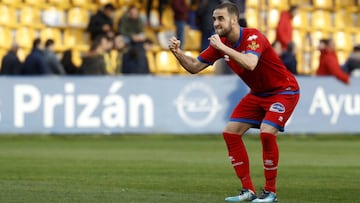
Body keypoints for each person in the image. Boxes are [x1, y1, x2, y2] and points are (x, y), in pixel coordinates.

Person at [168, 2, 300, 202]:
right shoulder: (221, 43)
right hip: (258, 93)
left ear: (233, 20)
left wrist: (222, 48)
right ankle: (248, 190)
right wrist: (177, 53)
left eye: (220, 18)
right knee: (230, 132)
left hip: (284, 91)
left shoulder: (253, 37)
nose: (216, 23)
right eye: (214, 19)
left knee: (266, 133)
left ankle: (270, 192)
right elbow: (194, 67)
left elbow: (250, 63)